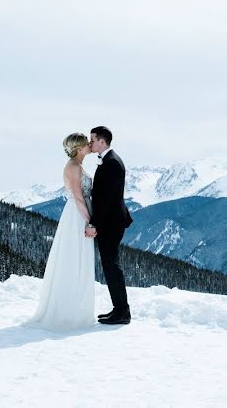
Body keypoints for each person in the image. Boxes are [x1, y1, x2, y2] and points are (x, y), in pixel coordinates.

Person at [28, 132, 95, 330]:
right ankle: (69, 311)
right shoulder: (73, 167)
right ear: (78, 148)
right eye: (86, 143)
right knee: (74, 258)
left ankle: (76, 308)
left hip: (79, 212)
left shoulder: (78, 166)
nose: (89, 145)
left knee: (78, 258)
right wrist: (90, 222)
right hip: (77, 214)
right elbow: (78, 197)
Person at [86, 126, 134, 325]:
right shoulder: (109, 160)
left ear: (102, 142)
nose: (90, 143)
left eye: (93, 140)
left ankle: (122, 312)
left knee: (111, 265)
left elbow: (106, 199)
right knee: (109, 265)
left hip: (111, 222)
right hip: (111, 220)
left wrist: (94, 223)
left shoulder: (112, 163)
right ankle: (119, 309)